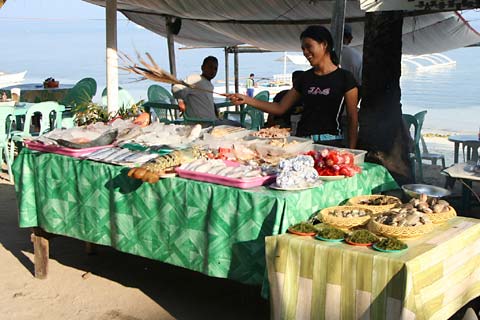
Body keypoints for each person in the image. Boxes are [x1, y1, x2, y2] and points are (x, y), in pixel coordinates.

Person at [228, 25, 359, 148]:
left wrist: (352, 150)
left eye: (309, 47)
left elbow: (353, 119)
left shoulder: (345, 78)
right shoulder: (304, 78)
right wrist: (246, 99)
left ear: (324, 45)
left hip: (331, 143)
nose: (305, 52)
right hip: (302, 142)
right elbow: (280, 108)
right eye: (303, 49)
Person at [172, 56, 240, 126]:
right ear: (202, 67)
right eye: (210, 67)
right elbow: (177, 88)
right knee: (239, 126)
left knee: (238, 125)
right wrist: (180, 100)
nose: (213, 71)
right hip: (203, 124)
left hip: (212, 122)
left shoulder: (208, 84)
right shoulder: (195, 79)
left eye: (215, 68)